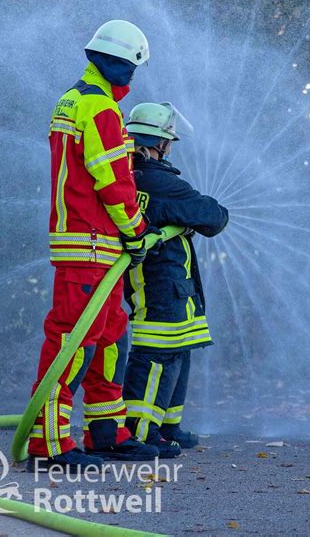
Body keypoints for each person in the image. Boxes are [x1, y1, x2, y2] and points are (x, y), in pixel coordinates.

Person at [27, 20, 159, 471]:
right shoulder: (99, 108)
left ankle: (106, 432)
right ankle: (48, 445)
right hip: (90, 244)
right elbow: (113, 181)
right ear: (116, 63)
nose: (132, 78)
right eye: (131, 68)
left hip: (96, 247)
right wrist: (137, 229)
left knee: (110, 339)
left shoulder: (76, 99)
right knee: (72, 343)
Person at [122, 102, 229, 458]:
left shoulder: (128, 178)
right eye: (170, 142)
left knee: (177, 351)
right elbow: (213, 217)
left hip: (160, 280)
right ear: (161, 143)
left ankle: (168, 426)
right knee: (157, 354)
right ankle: (141, 431)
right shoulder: (160, 181)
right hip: (163, 281)